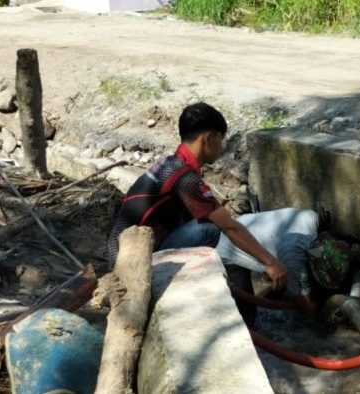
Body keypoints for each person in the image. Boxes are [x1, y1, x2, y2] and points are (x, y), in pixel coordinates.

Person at [107, 102, 341, 308]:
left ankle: (245, 313)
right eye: (221, 139)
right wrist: (271, 263)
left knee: (220, 238)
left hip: (127, 253)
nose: (222, 146)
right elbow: (229, 226)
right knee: (211, 229)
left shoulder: (172, 166)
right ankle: (209, 300)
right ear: (208, 138)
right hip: (132, 266)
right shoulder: (185, 178)